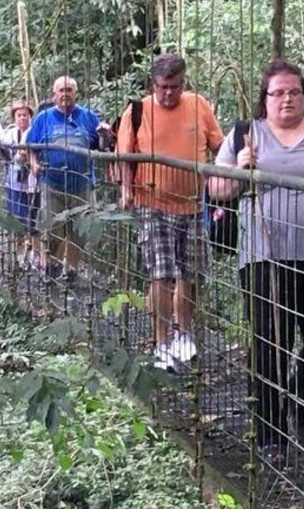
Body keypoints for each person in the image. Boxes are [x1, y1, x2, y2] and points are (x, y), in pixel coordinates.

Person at [208, 59, 304, 451]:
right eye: (278, 92)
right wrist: (239, 171)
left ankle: (300, 398)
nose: (287, 99)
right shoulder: (247, 134)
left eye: (294, 91)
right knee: (269, 341)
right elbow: (216, 189)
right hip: (263, 253)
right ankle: (270, 434)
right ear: (265, 98)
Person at [117, 54, 224, 370]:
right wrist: (126, 189)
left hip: (193, 203)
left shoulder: (198, 105)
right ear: (153, 84)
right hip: (153, 202)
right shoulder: (137, 111)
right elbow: (127, 155)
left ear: (184, 83)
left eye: (174, 87)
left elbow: (219, 146)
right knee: (161, 272)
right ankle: (161, 342)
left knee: (191, 272)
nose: (168, 94)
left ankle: (184, 333)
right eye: (162, 87)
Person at [27, 75, 108, 280]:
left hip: (81, 184)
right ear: (54, 95)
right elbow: (31, 147)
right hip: (52, 184)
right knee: (51, 227)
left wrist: (105, 135)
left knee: (78, 230)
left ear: (76, 93)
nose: (65, 94)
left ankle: (71, 270)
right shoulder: (43, 118)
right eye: (61, 90)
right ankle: (50, 268)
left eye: (69, 90)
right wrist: (34, 164)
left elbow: (101, 146)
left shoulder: (88, 117)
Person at [1, 100, 41, 269]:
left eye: (25, 115)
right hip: (14, 183)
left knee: (33, 221)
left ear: (31, 116)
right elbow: (2, 152)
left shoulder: (36, 132)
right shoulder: (9, 133)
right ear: (14, 118)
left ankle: (34, 256)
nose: (22, 118)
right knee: (17, 220)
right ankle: (17, 255)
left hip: (32, 184)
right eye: (19, 115)